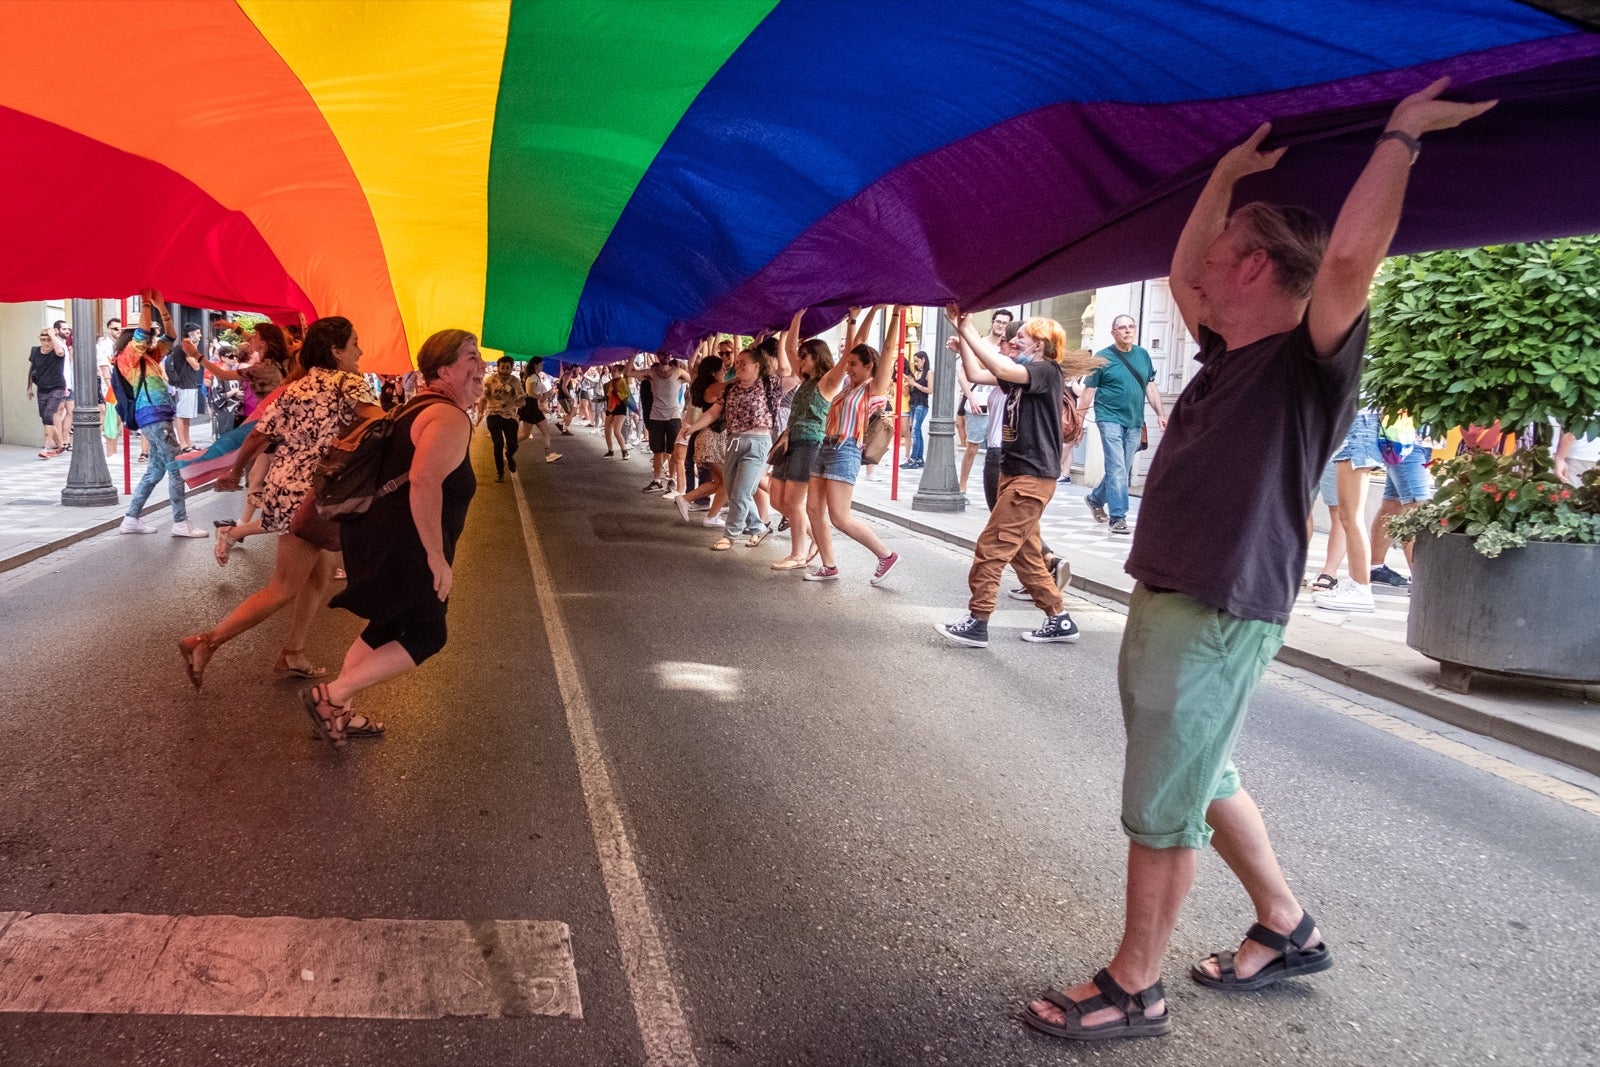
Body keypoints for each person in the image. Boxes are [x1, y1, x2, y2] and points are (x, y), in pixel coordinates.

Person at [1021, 81, 1495, 1044]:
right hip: (1179, 600)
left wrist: (1401, 134)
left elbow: (1353, 256)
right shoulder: (1225, 349)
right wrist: (1228, 176)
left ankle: (1135, 986)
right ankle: (1286, 924)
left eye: (1226, 247)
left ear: (1259, 267)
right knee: (1201, 771)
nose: (1201, 270)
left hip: (1218, 606)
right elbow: (1182, 267)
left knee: (1162, 804)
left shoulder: (1305, 359)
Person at [177, 317, 383, 689]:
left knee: (319, 577)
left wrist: (236, 473)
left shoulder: (296, 387)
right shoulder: (348, 381)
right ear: (337, 351)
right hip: (315, 494)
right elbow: (378, 424)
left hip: (285, 488)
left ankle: (293, 654)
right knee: (284, 587)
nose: (360, 351)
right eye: (355, 343)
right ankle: (206, 642)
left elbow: (258, 435)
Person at [303, 329, 485, 747]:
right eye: (471, 359)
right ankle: (330, 697)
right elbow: (423, 482)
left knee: (386, 625)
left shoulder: (415, 407)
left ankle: (339, 713)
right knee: (426, 634)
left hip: (377, 534)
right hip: (406, 543)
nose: (481, 367)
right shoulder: (447, 416)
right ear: (444, 369)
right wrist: (436, 558)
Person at [937, 312, 1097, 646]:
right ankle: (1059, 619)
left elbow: (999, 368)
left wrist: (966, 327)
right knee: (1026, 553)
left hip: (1031, 478)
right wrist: (963, 339)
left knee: (991, 548)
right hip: (1015, 474)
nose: (1013, 341)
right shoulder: (1026, 373)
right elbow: (978, 374)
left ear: (1039, 344)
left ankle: (978, 622)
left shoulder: (1045, 371)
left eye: (1021, 337)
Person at [801, 307, 900, 583]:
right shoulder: (847, 386)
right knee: (812, 510)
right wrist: (856, 318)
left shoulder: (873, 387)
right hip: (826, 447)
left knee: (840, 517)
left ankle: (885, 554)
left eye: (854, 364)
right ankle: (829, 565)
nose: (849, 367)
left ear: (869, 366)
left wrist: (893, 316)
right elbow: (856, 345)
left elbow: (888, 349)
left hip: (846, 450)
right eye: (849, 364)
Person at [115, 293, 211, 539]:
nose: (155, 336)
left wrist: (161, 308)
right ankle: (180, 522)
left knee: (154, 472)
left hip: (156, 419)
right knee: (176, 467)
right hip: (154, 418)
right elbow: (144, 333)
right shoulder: (129, 357)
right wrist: (147, 303)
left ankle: (131, 518)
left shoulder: (148, 356)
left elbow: (172, 337)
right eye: (151, 333)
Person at [682, 342, 780, 550]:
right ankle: (758, 527)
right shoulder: (730, 389)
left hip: (758, 443)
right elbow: (712, 413)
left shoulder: (769, 384)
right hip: (734, 441)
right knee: (735, 490)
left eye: (744, 363)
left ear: (757, 366)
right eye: (737, 363)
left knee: (742, 491)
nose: (739, 366)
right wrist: (693, 427)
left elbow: (788, 369)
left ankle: (730, 534)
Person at [1079, 315, 1167, 535]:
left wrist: (1160, 413)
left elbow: (1150, 387)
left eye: (1130, 327)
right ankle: (1118, 517)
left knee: (1121, 467)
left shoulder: (1143, 355)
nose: (1127, 331)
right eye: (1122, 328)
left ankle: (1095, 498)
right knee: (1118, 467)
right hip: (1108, 418)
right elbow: (1089, 389)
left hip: (1134, 420)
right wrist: (1079, 419)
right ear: (1113, 333)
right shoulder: (1102, 358)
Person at [768, 310, 834, 569]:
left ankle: (798, 555)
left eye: (805, 357)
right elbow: (791, 348)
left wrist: (853, 322)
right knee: (777, 499)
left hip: (809, 444)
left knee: (793, 502)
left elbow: (794, 351)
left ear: (816, 358)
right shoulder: (805, 379)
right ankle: (815, 537)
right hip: (790, 441)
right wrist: (796, 317)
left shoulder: (828, 382)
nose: (800, 360)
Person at [1311, 405, 1382, 612]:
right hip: (1354, 428)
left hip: (1358, 429)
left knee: (1351, 516)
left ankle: (1361, 587)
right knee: (1347, 516)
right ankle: (1355, 582)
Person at [635, 355, 691, 492]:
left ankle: (671, 479)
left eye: (668, 354)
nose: (665, 356)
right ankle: (657, 480)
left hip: (673, 416)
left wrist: (687, 363)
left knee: (673, 451)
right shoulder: (652, 373)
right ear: (658, 356)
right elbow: (628, 373)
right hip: (656, 417)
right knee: (657, 451)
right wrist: (633, 354)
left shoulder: (678, 372)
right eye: (662, 353)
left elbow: (694, 378)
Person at [475, 355, 522, 482]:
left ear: (511, 369)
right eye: (502, 368)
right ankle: (500, 472)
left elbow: (521, 399)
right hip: (493, 415)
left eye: (507, 368)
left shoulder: (515, 381)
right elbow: (484, 398)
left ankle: (509, 455)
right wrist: (480, 412)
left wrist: (520, 402)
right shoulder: (490, 380)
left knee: (513, 444)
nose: (505, 371)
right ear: (498, 368)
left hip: (510, 416)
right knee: (498, 444)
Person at [27, 327, 69, 459]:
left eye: (48, 340)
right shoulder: (35, 351)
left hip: (57, 387)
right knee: (45, 418)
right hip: (42, 388)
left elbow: (60, 352)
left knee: (49, 414)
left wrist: (53, 335)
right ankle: (61, 444)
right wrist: (29, 387)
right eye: (43, 340)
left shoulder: (58, 350)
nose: (46, 343)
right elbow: (32, 369)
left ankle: (46, 447)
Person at [164, 323, 205, 450]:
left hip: (189, 383)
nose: (200, 336)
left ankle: (187, 441)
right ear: (191, 334)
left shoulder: (186, 347)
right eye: (197, 333)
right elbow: (196, 366)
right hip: (184, 384)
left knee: (187, 416)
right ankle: (183, 442)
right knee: (182, 415)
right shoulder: (186, 347)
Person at [517, 360, 562, 462]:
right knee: (526, 434)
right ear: (535, 365)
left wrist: (547, 394)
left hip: (533, 407)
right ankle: (508, 445)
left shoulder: (536, 377)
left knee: (539, 431)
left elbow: (541, 392)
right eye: (541, 364)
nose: (542, 365)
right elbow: (529, 393)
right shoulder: (532, 377)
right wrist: (541, 396)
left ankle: (548, 454)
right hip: (530, 407)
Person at [900, 350, 931, 469]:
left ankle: (914, 458)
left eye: (917, 361)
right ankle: (919, 458)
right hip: (913, 403)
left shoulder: (928, 373)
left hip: (921, 404)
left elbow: (930, 390)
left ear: (924, 359)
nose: (916, 364)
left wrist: (916, 384)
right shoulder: (916, 374)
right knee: (917, 431)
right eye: (914, 361)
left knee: (915, 430)